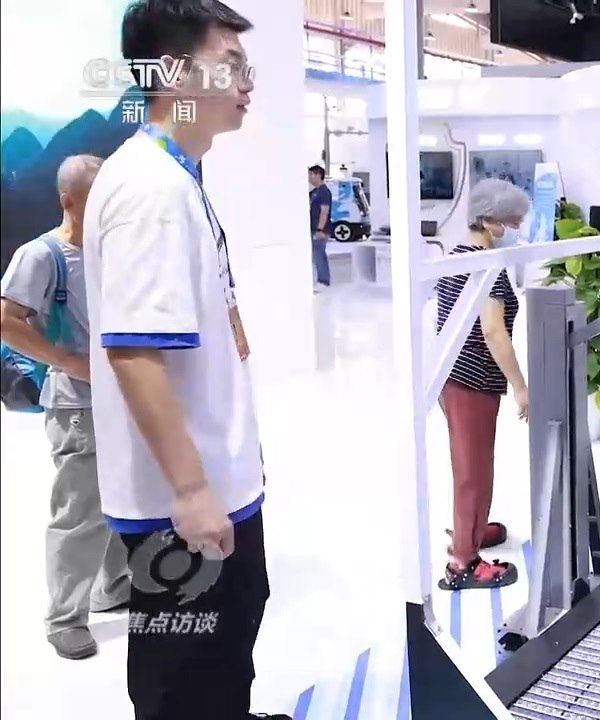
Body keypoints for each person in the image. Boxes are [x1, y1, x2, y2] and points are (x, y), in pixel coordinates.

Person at [82, 2, 286, 718]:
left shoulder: (177, 175)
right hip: (180, 503)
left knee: (228, 639)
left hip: (215, 482)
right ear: (172, 71)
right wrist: (193, 490)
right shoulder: (151, 190)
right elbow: (135, 353)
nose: (247, 81)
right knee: (183, 673)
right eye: (230, 64)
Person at [0, 155, 131, 661]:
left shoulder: (109, 251)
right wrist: (68, 362)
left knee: (118, 498)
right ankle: (65, 617)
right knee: (80, 510)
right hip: (76, 404)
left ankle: (112, 586)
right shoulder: (41, 255)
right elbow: (7, 321)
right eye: (97, 196)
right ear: (68, 200)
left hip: (122, 399)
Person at [435, 178, 530, 591]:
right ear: (490, 220)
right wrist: (521, 386)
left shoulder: (458, 256)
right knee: (473, 470)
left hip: (454, 375)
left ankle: (469, 530)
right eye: (512, 221)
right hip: (472, 380)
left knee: (471, 463)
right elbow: (493, 331)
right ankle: (463, 561)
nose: (515, 228)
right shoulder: (486, 266)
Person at [308, 164, 332, 290]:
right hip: (313, 228)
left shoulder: (324, 192)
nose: (309, 177)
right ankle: (321, 279)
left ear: (318, 175)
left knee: (319, 254)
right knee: (316, 254)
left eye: (311, 174)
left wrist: (319, 229)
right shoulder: (314, 192)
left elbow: (324, 211)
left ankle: (324, 281)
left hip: (320, 229)